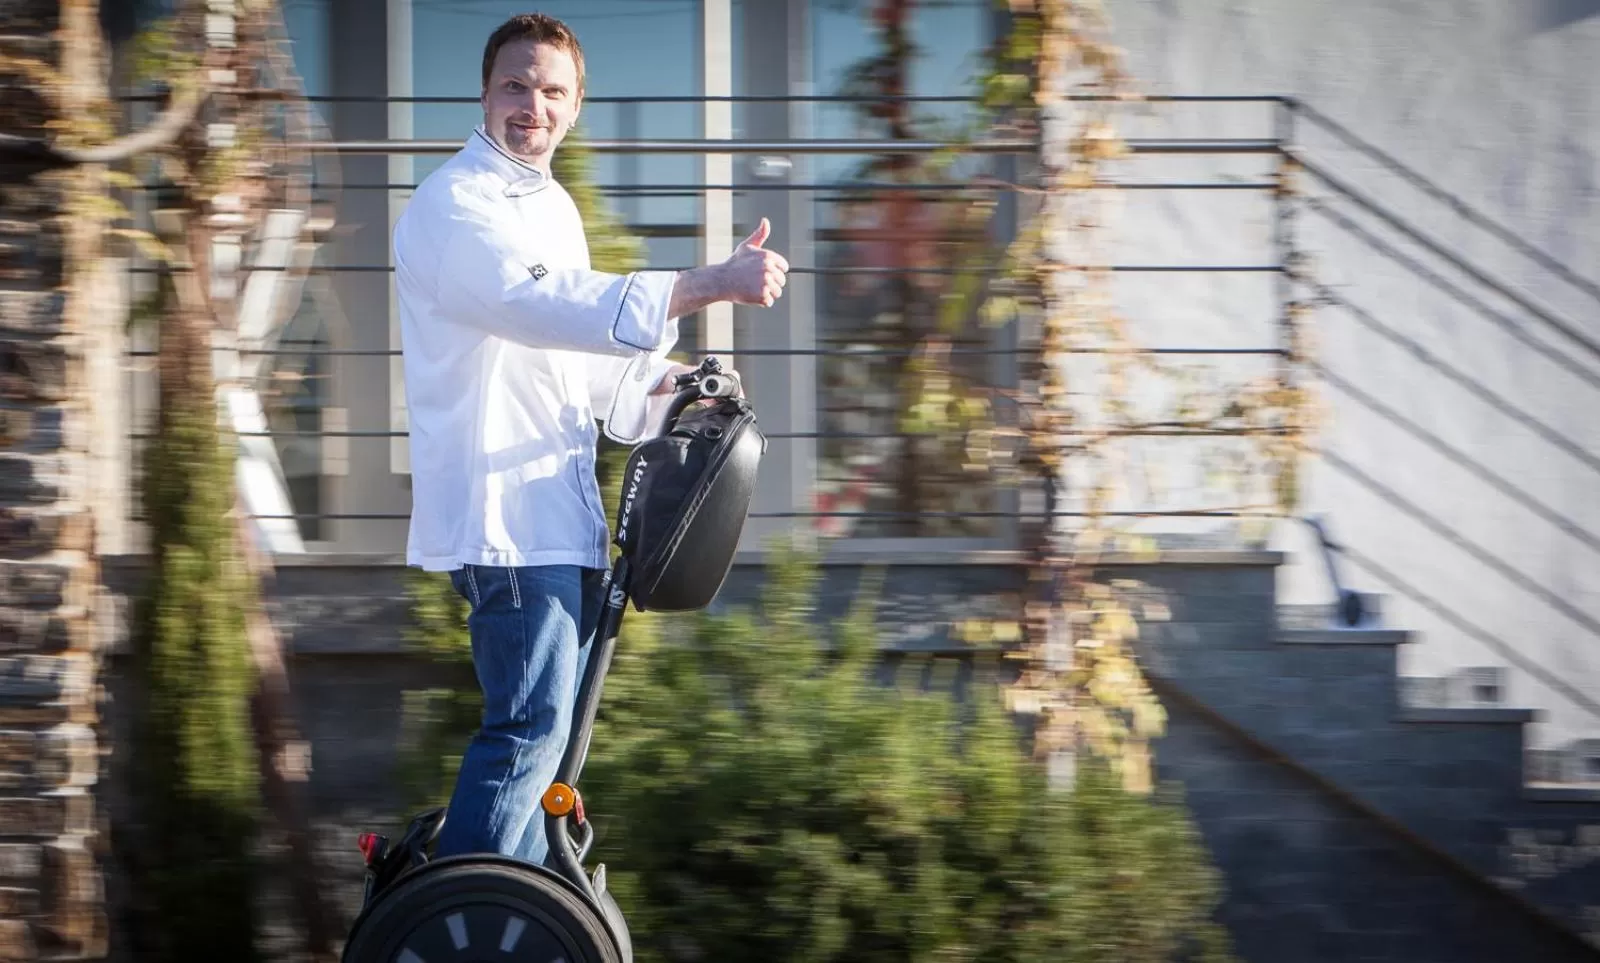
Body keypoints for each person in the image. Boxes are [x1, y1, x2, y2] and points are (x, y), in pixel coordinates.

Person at [391, 12, 788, 865]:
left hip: (559, 519)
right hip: (506, 521)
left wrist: (683, 383)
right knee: (529, 728)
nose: (532, 105)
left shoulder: (553, 209)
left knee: (551, 746)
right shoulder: (455, 204)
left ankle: (518, 907)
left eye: (552, 91)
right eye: (516, 85)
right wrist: (709, 283)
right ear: (484, 93)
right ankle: (469, 915)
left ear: (575, 108)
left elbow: (591, 366)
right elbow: (541, 305)